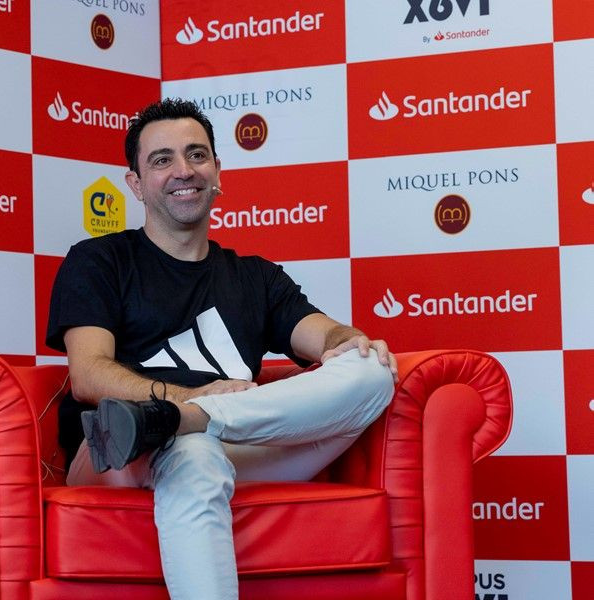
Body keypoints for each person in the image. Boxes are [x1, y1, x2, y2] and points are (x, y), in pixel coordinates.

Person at [45, 98, 397, 600]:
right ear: (136, 184)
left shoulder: (255, 277)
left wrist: (347, 340)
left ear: (216, 171)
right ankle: (189, 422)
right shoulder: (100, 260)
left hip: (234, 440)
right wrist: (187, 397)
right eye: (162, 160)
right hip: (123, 448)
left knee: (373, 371)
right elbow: (88, 375)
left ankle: (194, 421)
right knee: (193, 454)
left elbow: (327, 336)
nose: (184, 170)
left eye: (197, 155)